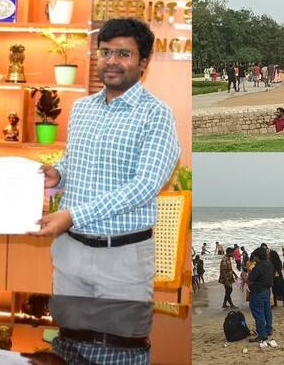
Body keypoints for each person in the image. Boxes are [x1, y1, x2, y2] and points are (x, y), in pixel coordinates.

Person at [32, 18, 180, 307]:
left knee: (120, 345)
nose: (111, 61)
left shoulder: (156, 115)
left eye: (124, 54)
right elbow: (75, 160)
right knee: (70, 343)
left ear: (143, 62)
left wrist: (74, 215)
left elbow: (144, 186)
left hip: (123, 258)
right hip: (69, 252)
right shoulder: (82, 108)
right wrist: (58, 174)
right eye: (105, 52)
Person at [247, 248, 274, 343]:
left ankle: (262, 334)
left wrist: (245, 276)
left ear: (256, 257)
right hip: (267, 291)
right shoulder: (269, 264)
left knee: (258, 313)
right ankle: (268, 330)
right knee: (267, 311)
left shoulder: (258, 267)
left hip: (258, 292)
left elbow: (249, 281)